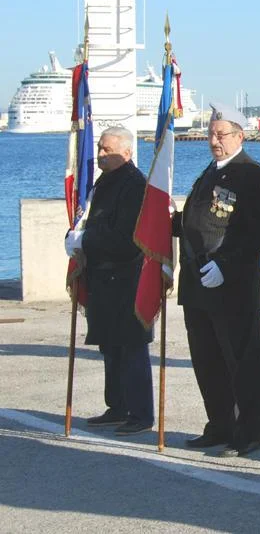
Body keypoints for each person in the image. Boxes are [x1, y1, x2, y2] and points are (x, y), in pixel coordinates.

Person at [174, 103, 260, 458]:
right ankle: (220, 425)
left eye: (222, 134)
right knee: (207, 360)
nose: (215, 140)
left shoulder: (252, 174)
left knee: (240, 361)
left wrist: (227, 266)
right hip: (197, 282)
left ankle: (249, 432)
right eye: (212, 134)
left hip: (230, 285)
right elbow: (196, 221)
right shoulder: (208, 174)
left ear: (240, 136)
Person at [65, 126, 153, 436]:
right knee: (110, 347)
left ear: (126, 153)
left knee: (131, 347)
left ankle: (140, 412)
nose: (100, 154)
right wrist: (77, 236)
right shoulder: (103, 183)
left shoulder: (134, 185)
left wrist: (85, 240)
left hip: (127, 277)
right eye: (100, 148)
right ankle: (117, 406)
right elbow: (90, 218)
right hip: (103, 277)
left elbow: (127, 238)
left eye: (107, 150)